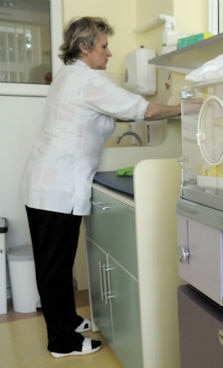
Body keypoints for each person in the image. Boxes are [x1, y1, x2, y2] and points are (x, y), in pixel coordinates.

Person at [20, 16, 182, 358]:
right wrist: (185, 108)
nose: (109, 54)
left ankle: (66, 321)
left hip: (50, 185)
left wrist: (156, 109)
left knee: (57, 266)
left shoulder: (72, 78)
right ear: (85, 47)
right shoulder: (88, 81)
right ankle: (62, 343)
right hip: (55, 188)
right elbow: (143, 110)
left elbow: (120, 111)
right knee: (56, 269)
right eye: (104, 46)